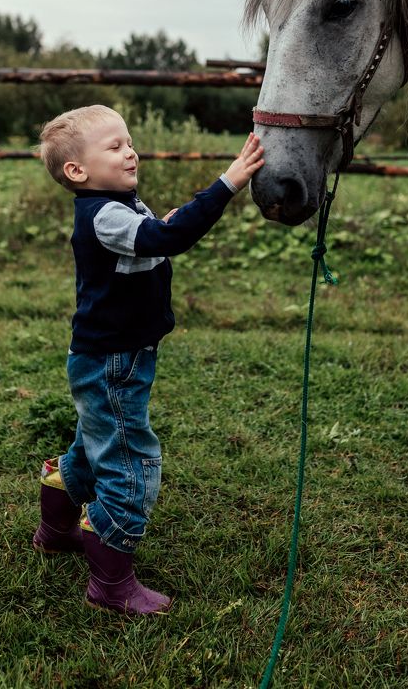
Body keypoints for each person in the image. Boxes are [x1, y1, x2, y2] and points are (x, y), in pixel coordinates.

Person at [33, 104, 264, 615]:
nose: (130, 151)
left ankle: (55, 532)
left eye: (130, 141)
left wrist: (166, 221)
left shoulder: (118, 205)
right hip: (113, 362)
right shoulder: (105, 214)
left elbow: (154, 233)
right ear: (77, 171)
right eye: (114, 146)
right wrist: (226, 184)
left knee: (92, 448)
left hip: (112, 356)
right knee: (128, 460)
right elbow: (167, 239)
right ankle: (110, 585)